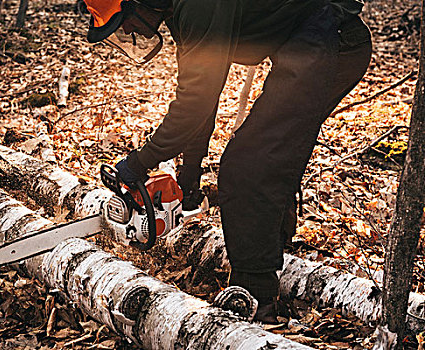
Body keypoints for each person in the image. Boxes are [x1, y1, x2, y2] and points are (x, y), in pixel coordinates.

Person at [82, 0, 371, 322]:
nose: (128, 31)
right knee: (263, 153)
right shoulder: (180, 12)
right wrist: (189, 174)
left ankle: (256, 294)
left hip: (333, 39)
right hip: (306, 41)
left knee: (249, 163)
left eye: (124, 22)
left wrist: (140, 161)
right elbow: (202, 94)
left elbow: (194, 104)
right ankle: (273, 244)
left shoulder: (196, 6)